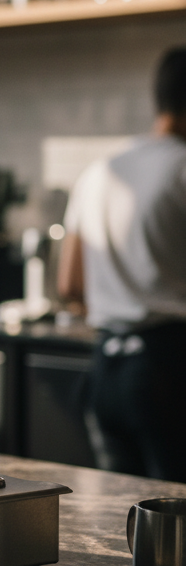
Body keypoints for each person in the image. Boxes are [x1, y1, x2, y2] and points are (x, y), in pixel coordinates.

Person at [57, 47, 186, 482]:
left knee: (120, 518)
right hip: (168, 370)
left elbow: (69, 284)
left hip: (105, 373)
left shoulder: (102, 170)